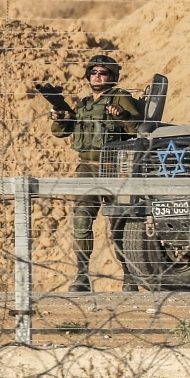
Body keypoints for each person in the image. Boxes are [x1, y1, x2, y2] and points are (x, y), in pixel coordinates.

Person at [50, 54, 143, 292]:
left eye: (103, 73)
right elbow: (61, 132)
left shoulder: (121, 98)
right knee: (81, 218)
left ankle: (130, 277)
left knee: (120, 222)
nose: (97, 76)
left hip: (114, 166)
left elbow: (140, 129)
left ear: (112, 76)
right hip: (87, 168)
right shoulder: (83, 104)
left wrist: (121, 117)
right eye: (94, 72)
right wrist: (60, 118)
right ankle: (82, 276)